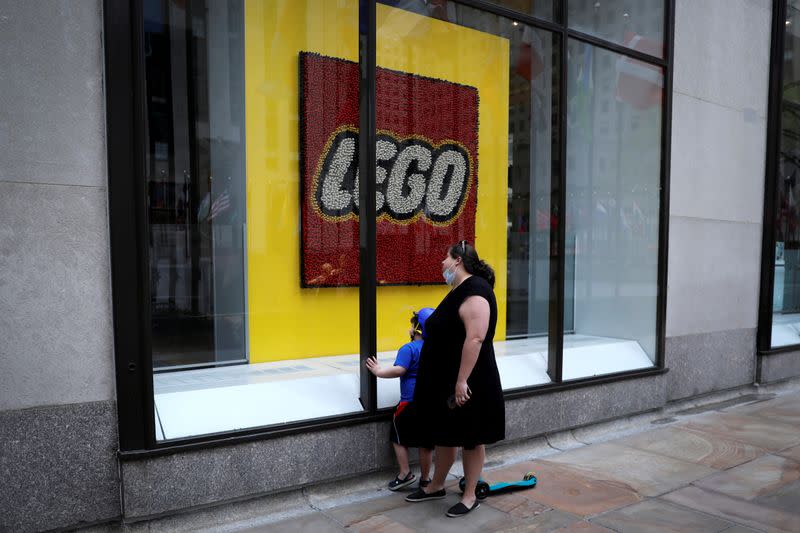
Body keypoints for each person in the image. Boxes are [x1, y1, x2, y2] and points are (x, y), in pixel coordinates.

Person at [404, 240, 504, 518]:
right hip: (448, 382)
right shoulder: (458, 290)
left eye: (445, 259)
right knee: (446, 435)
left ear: (458, 260)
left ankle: (470, 495)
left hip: (471, 383)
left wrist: (462, 381)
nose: (442, 264)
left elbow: (475, 337)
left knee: (472, 438)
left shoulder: (476, 291)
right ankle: (436, 486)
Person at [366, 308, 436, 491]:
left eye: (412, 324)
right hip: (430, 402)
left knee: (397, 436)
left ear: (417, 328)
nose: (410, 328)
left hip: (409, 402)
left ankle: (405, 473)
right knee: (426, 443)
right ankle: (426, 479)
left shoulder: (409, 348)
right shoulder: (435, 347)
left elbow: (399, 370)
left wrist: (378, 371)